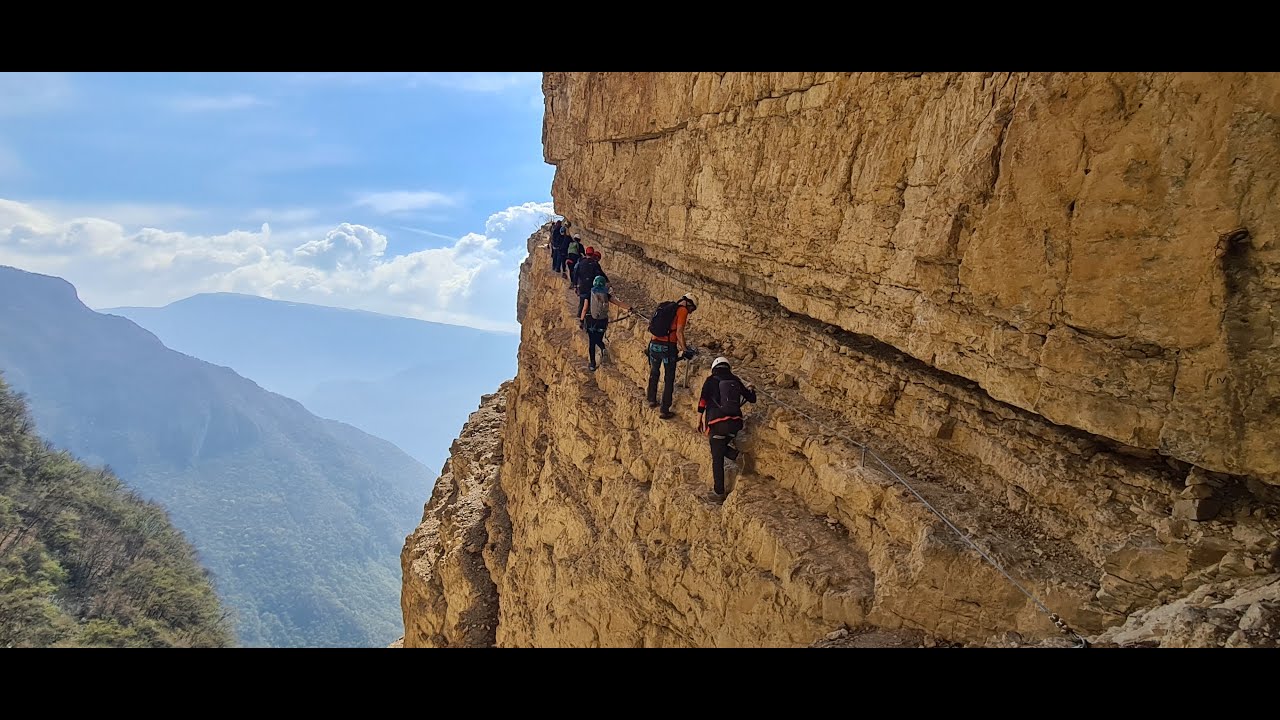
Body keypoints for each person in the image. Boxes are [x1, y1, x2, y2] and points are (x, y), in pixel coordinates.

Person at [697, 357, 757, 502]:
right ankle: (736, 455)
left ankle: (718, 493)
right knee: (719, 447)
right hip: (735, 423)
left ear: (714, 368)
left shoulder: (711, 380)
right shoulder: (735, 379)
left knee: (717, 457)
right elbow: (752, 399)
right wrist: (751, 388)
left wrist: (699, 420)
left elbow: (703, 401)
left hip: (717, 423)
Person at [647, 293, 697, 419]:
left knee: (654, 372)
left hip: (653, 345)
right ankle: (664, 410)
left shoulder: (666, 307)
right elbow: (679, 332)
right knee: (669, 378)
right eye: (692, 309)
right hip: (667, 347)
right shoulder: (682, 311)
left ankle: (651, 399)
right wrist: (685, 349)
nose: (690, 312)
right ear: (688, 303)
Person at [579, 275, 630, 371]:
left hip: (591, 321)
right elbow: (618, 303)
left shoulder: (589, 294)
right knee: (599, 338)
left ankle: (593, 364)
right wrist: (630, 308)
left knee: (592, 343)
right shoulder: (606, 295)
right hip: (602, 322)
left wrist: (581, 320)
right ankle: (603, 349)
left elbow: (585, 308)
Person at [574, 248, 606, 319]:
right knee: (590, 302)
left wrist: (575, 285)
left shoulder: (581, 262)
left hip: (582, 285)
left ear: (586, 253)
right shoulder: (595, 264)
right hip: (591, 286)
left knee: (582, 300)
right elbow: (599, 274)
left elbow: (576, 274)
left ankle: (580, 314)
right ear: (593, 254)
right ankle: (586, 316)